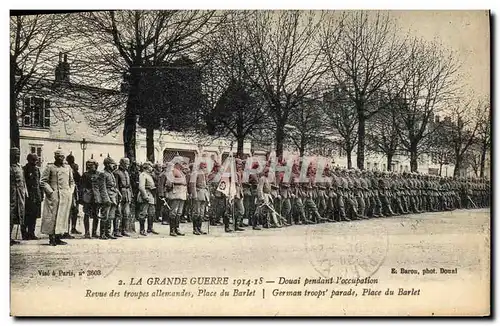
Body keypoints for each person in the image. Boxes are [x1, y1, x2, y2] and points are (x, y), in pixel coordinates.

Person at [40, 148, 75, 246]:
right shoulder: (50, 167)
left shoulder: (68, 168)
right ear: (55, 157)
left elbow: (72, 182)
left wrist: (69, 192)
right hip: (54, 196)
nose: (61, 158)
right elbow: (43, 181)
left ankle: (59, 237)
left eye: (62, 156)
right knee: (52, 217)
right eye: (59, 156)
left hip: (65, 196)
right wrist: (50, 192)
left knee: (63, 216)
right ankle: (51, 238)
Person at [99, 157, 120, 239]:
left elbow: (114, 186)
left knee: (111, 216)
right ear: (107, 165)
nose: (113, 166)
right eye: (112, 164)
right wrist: (106, 199)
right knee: (105, 216)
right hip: (107, 197)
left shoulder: (111, 173)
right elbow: (103, 188)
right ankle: (102, 233)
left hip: (113, 196)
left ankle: (108, 232)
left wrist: (118, 193)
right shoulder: (103, 174)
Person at [22, 153, 42, 240]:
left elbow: (38, 183)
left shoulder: (37, 170)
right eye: (33, 159)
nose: (35, 161)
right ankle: (24, 233)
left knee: (34, 215)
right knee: (26, 215)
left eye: (36, 160)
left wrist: (40, 195)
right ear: (28, 159)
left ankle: (31, 233)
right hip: (28, 195)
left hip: (36, 195)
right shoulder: (24, 169)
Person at [80, 156, 101, 238]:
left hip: (96, 197)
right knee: (86, 214)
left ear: (95, 165)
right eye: (88, 165)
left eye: (92, 165)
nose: (90, 166)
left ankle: (94, 232)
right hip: (87, 197)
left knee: (96, 215)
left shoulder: (99, 174)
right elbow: (81, 186)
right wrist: (82, 197)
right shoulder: (85, 175)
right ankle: (87, 232)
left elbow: (101, 186)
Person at [137, 161, 159, 236]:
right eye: (150, 166)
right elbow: (141, 187)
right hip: (146, 194)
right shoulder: (143, 175)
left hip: (151, 195)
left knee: (151, 212)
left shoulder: (149, 175)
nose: (152, 168)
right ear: (146, 167)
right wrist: (145, 196)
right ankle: (142, 230)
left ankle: (150, 228)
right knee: (143, 213)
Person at [10, 147, 27, 245]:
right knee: (9, 215)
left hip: (20, 195)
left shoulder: (20, 167)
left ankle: (11, 237)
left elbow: (23, 181)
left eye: (18, 154)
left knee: (18, 215)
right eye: (15, 154)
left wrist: (25, 193)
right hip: (11, 194)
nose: (17, 156)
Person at [190, 162, 210, 235]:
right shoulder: (195, 173)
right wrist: (194, 194)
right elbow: (192, 185)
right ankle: (195, 229)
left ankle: (199, 228)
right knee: (197, 212)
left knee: (202, 213)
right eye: (203, 165)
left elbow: (207, 185)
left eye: (205, 165)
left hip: (204, 194)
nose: (204, 167)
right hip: (198, 193)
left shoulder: (205, 174)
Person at [114, 158, 132, 237]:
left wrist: (130, 194)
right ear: (122, 164)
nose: (127, 165)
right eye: (126, 164)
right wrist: (117, 196)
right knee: (118, 213)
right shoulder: (116, 173)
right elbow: (116, 186)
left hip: (127, 195)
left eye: (128, 164)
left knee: (126, 213)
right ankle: (116, 230)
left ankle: (124, 230)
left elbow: (129, 185)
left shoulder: (126, 173)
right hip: (120, 194)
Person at [169, 160, 187, 236]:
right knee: (173, 212)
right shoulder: (173, 171)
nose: (183, 165)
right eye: (181, 163)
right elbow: (169, 181)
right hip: (176, 194)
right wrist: (180, 182)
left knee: (179, 213)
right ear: (177, 164)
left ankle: (177, 228)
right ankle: (172, 230)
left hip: (182, 194)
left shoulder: (182, 172)